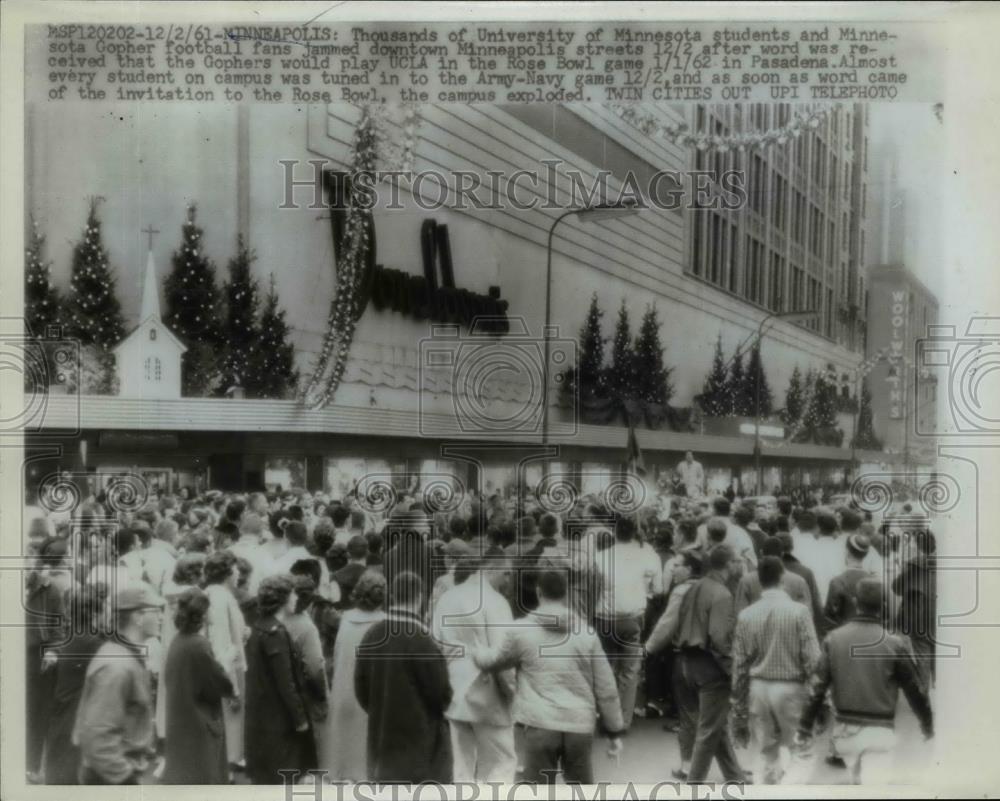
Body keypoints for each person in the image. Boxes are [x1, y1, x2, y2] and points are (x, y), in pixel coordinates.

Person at [473, 569, 625, 785]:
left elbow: (493, 661)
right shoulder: (587, 633)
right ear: (567, 594)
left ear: (538, 592)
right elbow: (606, 687)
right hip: (579, 725)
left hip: (539, 723)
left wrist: (476, 650)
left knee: (538, 790)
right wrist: (614, 732)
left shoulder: (520, 631)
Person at [798, 579, 934, 785]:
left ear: (855, 601)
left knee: (854, 780)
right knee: (874, 786)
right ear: (883, 605)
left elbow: (817, 687)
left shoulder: (834, 639)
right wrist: (926, 723)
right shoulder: (894, 643)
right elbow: (914, 688)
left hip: (845, 732)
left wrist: (805, 726)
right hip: (880, 730)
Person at [354, 571, 453, 783]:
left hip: (381, 741)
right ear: (420, 599)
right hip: (419, 748)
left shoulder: (372, 635)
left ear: (392, 597)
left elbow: (361, 690)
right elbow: (442, 696)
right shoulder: (422, 640)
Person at [730, 557, 820, 785]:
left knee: (767, 752)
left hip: (758, 688)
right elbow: (813, 659)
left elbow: (739, 665)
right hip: (791, 688)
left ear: (760, 581)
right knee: (802, 752)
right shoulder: (799, 612)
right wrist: (822, 699)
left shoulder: (746, 615)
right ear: (783, 578)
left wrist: (739, 708)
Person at [432, 555, 517, 783]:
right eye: (506, 573)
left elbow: (436, 645)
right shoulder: (496, 602)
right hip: (487, 689)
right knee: (501, 763)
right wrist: (513, 693)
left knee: (461, 768)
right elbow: (503, 656)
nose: (509, 579)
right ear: (489, 569)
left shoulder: (447, 598)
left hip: (453, 687)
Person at [72, 584, 164, 784]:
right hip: (109, 777)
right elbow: (98, 735)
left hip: (114, 771)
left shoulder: (124, 656)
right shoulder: (117, 665)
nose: (161, 618)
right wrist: (125, 780)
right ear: (138, 617)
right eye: (156, 611)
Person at [673, 545, 746, 784]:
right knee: (709, 729)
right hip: (710, 666)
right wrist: (732, 668)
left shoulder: (695, 586)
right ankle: (695, 783)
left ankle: (735, 777)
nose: (741, 564)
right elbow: (720, 638)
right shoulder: (722, 593)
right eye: (737, 560)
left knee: (715, 725)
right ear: (728, 564)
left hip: (686, 662)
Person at [593, 515, 663, 731]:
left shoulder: (600, 557)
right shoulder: (647, 556)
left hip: (604, 618)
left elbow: (593, 590)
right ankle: (623, 720)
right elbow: (659, 589)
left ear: (614, 533)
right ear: (635, 532)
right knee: (630, 669)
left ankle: (606, 717)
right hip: (633, 618)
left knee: (606, 668)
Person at [244, 575, 313, 785]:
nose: (295, 598)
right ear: (282, 600)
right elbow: (286, 681)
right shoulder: (276, 633)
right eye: (292, 594)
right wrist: (300, 718)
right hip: (278, 722)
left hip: (261, 719)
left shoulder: (259, 628)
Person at [161, 587, 235, 784]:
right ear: (201, 614)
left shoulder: (178, 641)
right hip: (199, 725)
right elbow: (219, 683)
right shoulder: (199, 645)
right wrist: (226, 662)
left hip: (182, 723)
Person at [322, 572, 387, 782]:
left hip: (344, 688)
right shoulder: (385, 624)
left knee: (344, 742)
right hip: (371, 694)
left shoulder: (346, 619)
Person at [645, 549, 704, 779]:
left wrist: (648, 648)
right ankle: (732, 771)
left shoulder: (681, 591)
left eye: (677, 565)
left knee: (688, 713)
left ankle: (689, 765)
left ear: (689, 569)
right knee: (710, 714)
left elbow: (667, 625)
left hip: (687, 655)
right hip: (713, 658)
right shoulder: (711, 587)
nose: (673, 568)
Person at [41, 586, 108, 784]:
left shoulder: (70, 639)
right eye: (104, 611)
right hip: (76, 725)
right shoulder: (95, 644)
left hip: (60, 723)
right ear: (94, 614)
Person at [202, 550, 248, 771]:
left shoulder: (213, 593)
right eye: (235, 568)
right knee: (228, 723)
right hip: (227, 669)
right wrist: (232, 688)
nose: (239, 572)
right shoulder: (220, 598)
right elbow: (221, 642)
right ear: (227, 572)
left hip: (224, 666)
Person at [26, 545, 68, 782]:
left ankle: (31, 766)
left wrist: (52, 651)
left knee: (37, 714)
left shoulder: (49, 589)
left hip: (36, 658)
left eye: (28, 561)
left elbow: (58, 629)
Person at [735, 537, 813, 615]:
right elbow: (807, 614)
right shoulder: (799, 581)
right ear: (782, 554)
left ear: (761, 553)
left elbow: (740, 613)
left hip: (754, 625)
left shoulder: (746, 581)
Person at [824, 533, 874, 630]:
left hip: (843, 638)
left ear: (847, 552)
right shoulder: (875, 582)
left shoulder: (837, 582)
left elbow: (829, 619)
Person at [228, 513, 272, 596]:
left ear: (241, 530)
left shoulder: (228, 551)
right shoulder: (265, 555)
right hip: (254, 600)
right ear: (261, 533)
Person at [332, 535, 369, 609]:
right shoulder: (371, 576)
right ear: (366, 553)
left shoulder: (336, 575)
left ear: (348, 552)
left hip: (342, 613)